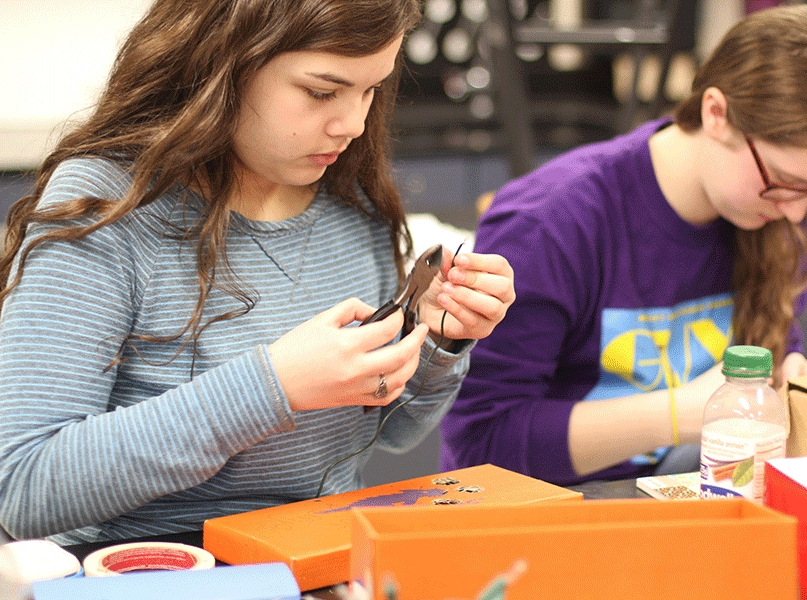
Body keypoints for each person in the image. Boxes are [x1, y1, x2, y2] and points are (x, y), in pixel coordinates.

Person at [0, 0, 514, 544]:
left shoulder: (350, 199)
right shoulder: (106, 205)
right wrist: (274, 386)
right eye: (321, 92)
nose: (353, 125)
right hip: (149, 569)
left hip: (322, 560)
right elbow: (23, 486)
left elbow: (395, 429)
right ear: (222, 65)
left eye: (371, 91)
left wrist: (436, 339)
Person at [441, 1, 807, 486]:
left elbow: (767, 370)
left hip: (696, 493)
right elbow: (481, 447)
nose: (800, 212)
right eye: (784, 181)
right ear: (716, 114)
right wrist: (676, 413)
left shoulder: (773, 210)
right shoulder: (551, 222)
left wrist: (784, 385)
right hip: (550, 515)